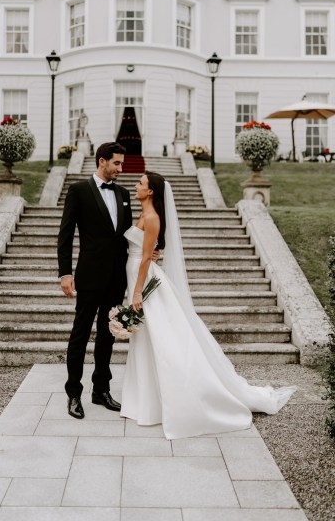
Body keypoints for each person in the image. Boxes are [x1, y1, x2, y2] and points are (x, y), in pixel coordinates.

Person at [120, 171, 296, 440]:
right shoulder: (143, 214)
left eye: (140, 183)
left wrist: (136, 293)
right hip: (137, 275)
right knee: (145, 340)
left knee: (164, 341)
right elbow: (146, 251)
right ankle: (144, 401)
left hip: (145, 282)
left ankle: (180, 399)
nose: (136, 185)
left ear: (151, 191)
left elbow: (145, 259)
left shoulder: (152, 217)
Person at [57, 142, 132, 419]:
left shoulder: (123, 193)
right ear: (102, 161)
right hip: (88, 277)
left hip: (116, 278)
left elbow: (127, 235)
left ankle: (101, 390)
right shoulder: (78, 191)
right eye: (117, 164)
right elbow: (65, 235)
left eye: (121, 164)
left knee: (107, 336)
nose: (121, 169)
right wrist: (65, 273)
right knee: (80, 334)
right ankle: (73, 394)